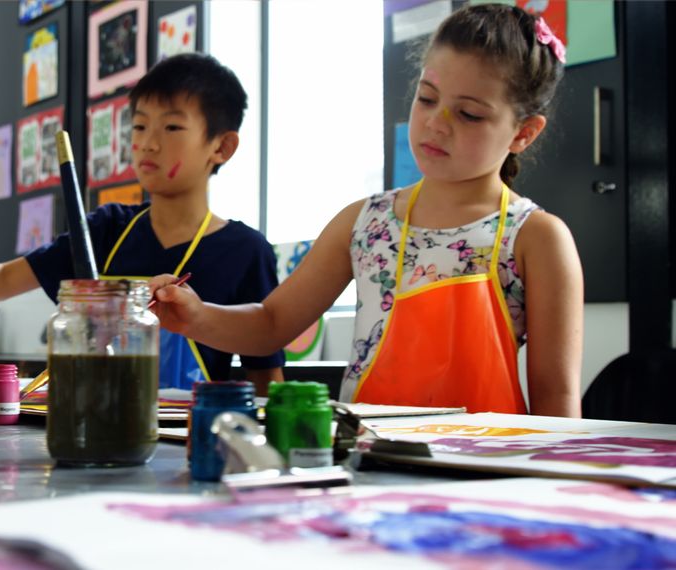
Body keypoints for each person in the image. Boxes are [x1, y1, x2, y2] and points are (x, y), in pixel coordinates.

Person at [149, 4, 583, 417]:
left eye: (468, 114)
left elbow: (556, 398)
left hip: (489, 473)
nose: (436, 123)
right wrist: (197, 315)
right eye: (427, 98)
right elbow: (272, 321)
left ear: (524, 133)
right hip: (372, 466)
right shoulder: (367, 223)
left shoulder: (537, 237)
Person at [0, 53, 285, 393]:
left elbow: (266, 381)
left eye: (172, 127)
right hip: (98, 425)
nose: (147, 143)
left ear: (222, 146)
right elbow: (1, 280)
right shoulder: (107, 228)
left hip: (190, 441)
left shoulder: (246, 251)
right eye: (139, 125)